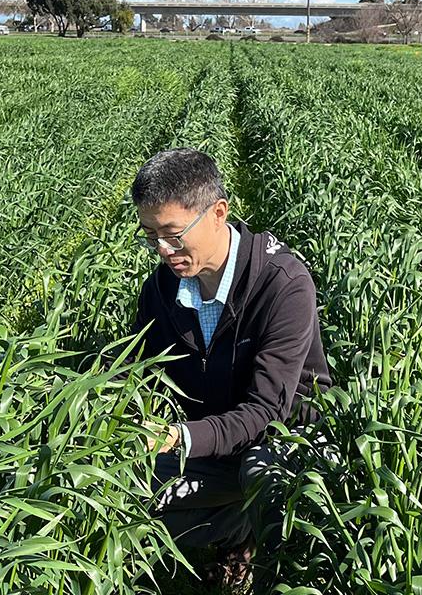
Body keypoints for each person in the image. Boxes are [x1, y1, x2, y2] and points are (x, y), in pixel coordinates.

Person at [128, 148, 332, 591]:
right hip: (206, 434)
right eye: (150, 236)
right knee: (125, 485)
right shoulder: (162, 290)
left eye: (174, 235)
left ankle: (272, 573)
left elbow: (266, 412)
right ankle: (233, 531)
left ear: (218, 213)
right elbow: (139, 370)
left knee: (264, 477)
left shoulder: (283, 284)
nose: (163, 251)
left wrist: (179, 437)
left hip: (279, 436)